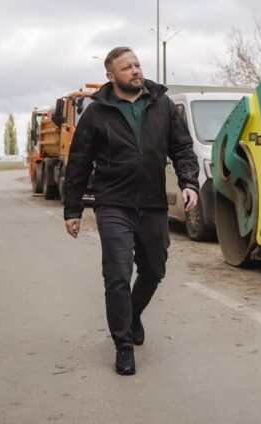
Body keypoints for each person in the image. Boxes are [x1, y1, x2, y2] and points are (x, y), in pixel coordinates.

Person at [63, 47, 199, 376]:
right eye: (127, 68)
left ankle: (133, 314)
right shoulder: (97, 113)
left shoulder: (162, 104)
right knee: (118, 274)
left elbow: (182, 147)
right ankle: (123, 344)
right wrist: (73, 209)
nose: (136, 70)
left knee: (154, 270)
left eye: (137, 64)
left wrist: (189, 183)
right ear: (111, 76)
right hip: (113, 204)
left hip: (152, 202)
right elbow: (79, 162)